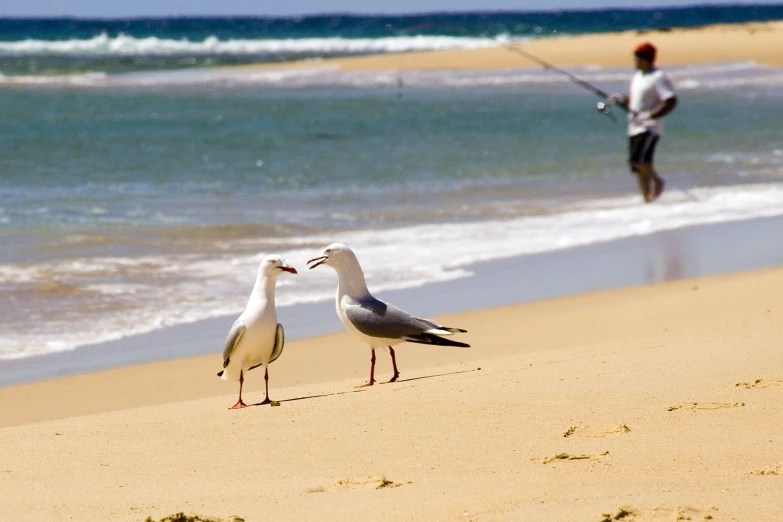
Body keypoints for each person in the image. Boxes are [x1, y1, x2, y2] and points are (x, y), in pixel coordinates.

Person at [610, 42, 678, 203]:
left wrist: (650, 116)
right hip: (634, 127)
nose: (635, 62)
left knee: (640, 160)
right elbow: (634, 103)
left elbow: (670, 101)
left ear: (646, 60)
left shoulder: (658, 77)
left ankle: (658, 180)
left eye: (637, 59)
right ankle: (647, 199)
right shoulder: (637, 77)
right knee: (637, 167)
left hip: (649, 128)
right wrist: (620, 100)